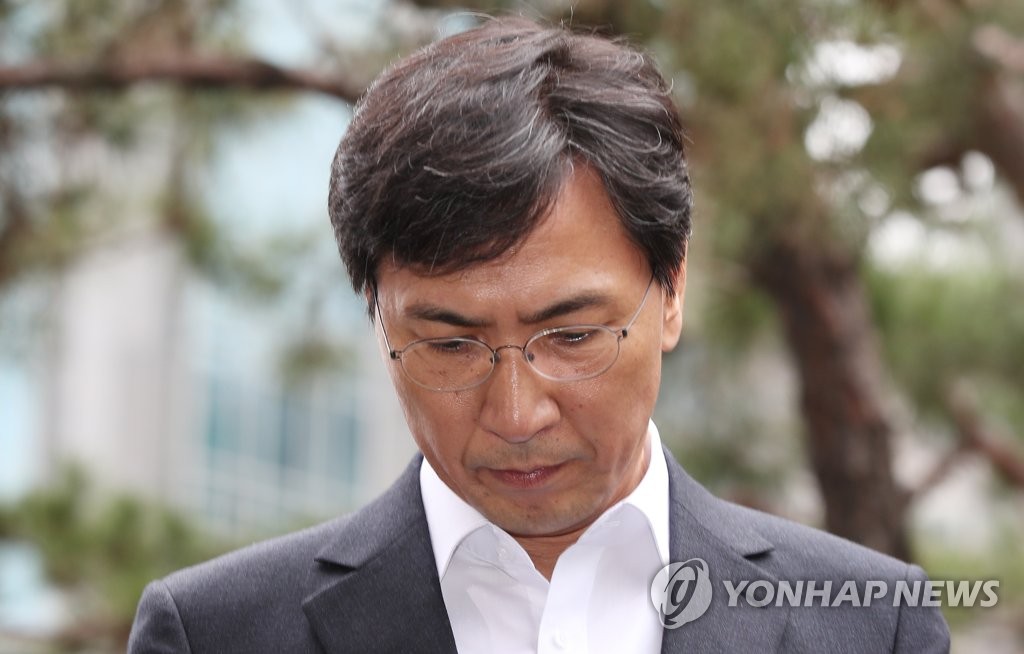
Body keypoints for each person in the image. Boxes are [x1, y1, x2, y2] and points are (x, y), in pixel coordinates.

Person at [128, 17, 950, 654]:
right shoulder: (214, 634)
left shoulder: (872, 626)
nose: (518, 415)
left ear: (671, 291)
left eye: (573, 337)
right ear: (377, 317)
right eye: (450, 346)